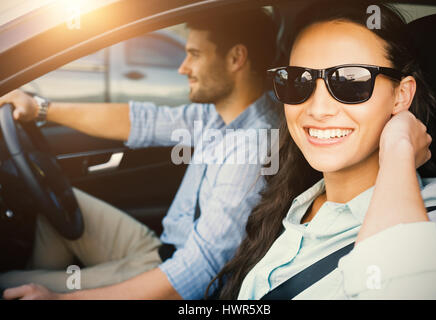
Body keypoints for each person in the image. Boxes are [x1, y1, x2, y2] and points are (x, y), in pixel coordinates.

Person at [0, 8, 281, 299]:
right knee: (49, 202)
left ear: (236, 58)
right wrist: (41, 108)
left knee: (7, 282)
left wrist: (60, 298)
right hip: (160, 245)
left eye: (194, 54)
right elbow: (143, 120)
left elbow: (197, 272)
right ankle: (47, 279)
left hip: (166, 270)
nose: (182, 68)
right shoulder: (217, 114)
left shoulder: (254, 146)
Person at [209, 1, 436, 300]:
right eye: (298, 81)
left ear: (401, 95)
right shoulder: (292, 201)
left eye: (351, 81)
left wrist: (399, 151)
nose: (318, 109)